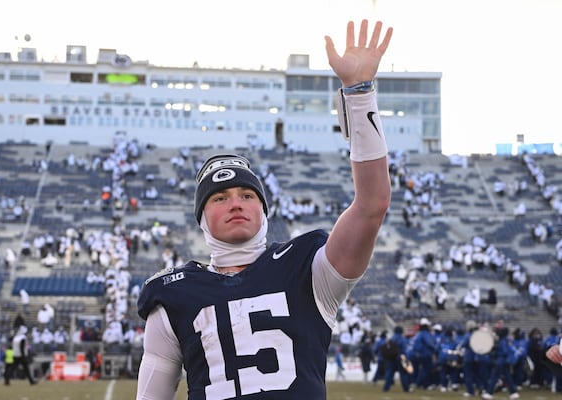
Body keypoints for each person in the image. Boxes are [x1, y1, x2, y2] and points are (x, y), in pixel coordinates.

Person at [136, 18, 393, 399]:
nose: (235, 203)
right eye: (219, 198)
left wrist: (358, 94)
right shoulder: (174, 296)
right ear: (202, 218)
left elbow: (372, 205)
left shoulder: (309, 270)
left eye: (246, 194)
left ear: (264, 208)